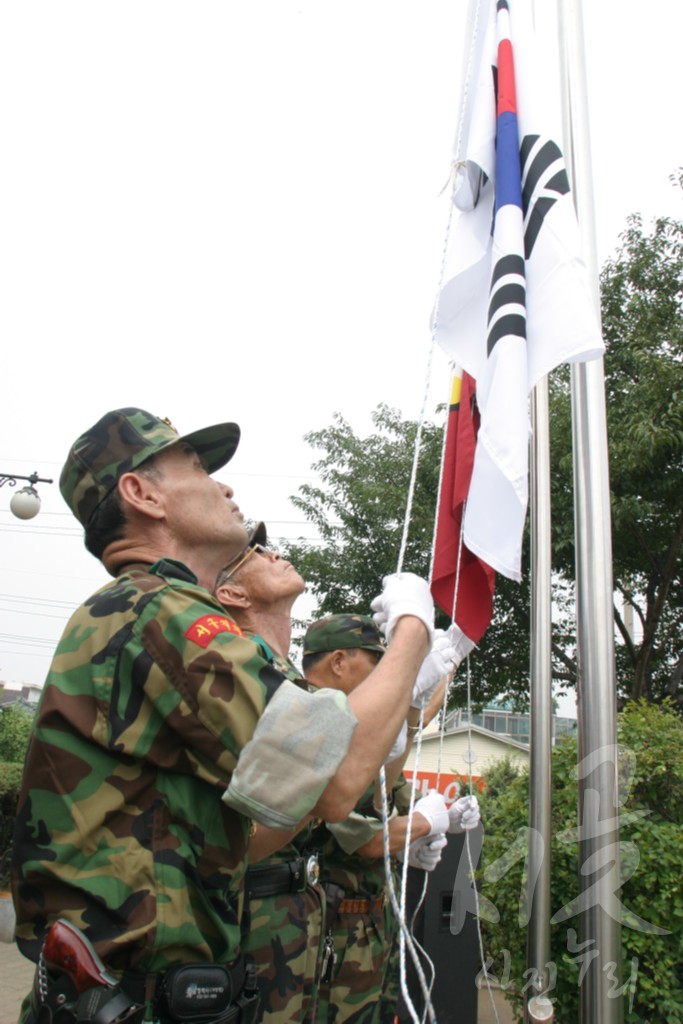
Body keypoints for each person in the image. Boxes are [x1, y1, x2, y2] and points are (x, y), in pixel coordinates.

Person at [11, 407, 435, 1024]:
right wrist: (413, 632)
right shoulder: (155, 609)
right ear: (142, 494)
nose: (224, 486)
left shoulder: (147, 610)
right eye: (198, 467)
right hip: (138, 998)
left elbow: (264, 826)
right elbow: (338, 777)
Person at [302, 614, 481, 1024]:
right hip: (329, 931)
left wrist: (437, 820)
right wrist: (422, 824)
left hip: (369, 925)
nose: (386, 675)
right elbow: (362, 835)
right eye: (376, 662)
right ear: (339, 662)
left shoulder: (355, 730)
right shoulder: (315, 723)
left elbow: (388, 784)